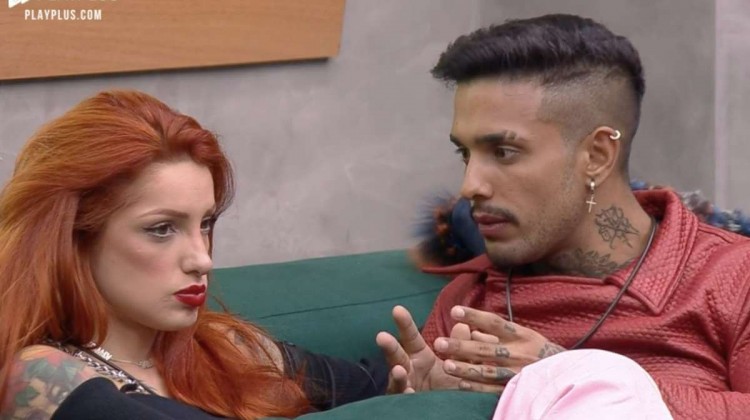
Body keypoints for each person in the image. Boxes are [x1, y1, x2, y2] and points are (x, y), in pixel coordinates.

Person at [376, 14, 750, 419]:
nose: (470, 186)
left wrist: (567, 375)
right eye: (465, 153)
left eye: (503, 152)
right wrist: (417, 407)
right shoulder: (467, 303)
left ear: (597, 156)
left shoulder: (734, 278)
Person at [0, 90, 386, 419]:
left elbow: (375, 384)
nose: (202, 259)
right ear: (72, 237)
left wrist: (414, 379)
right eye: (162, 229)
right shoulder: (40, 375)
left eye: (205, 223)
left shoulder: (224, 346)